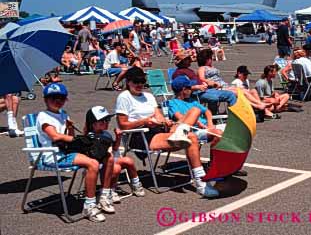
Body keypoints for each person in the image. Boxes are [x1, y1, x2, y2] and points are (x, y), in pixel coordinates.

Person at [115, 67, 219, 197]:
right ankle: (201, 183)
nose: (140, 85)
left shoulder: (148, 96)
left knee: (195, 111)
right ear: (128, 82)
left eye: (142, 81)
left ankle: (180, 133)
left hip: (159, 129)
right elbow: (123, 125)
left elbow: (158, 115)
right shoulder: (124, 97)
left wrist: (164, 121)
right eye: (136, 82)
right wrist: (145, 121)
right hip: (141, 135)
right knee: (191, 137)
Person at [36, 83, 114, 222]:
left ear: (66, 99)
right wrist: (77, 138)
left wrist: (70, 127)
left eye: (61, 97)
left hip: (67, 152)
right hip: (53, 155)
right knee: (93, 164)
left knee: (108, 157)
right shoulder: (43, 116)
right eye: (53, 97)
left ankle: (104, 195)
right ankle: (89, 205)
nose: (57, 100)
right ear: (45, 99)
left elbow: (68, 136)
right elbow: (55, 136)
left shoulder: (63, 114)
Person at [83, 106, 145, 204]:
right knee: (116, 168)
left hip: (110, 159)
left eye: (107, 119)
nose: (106, 122)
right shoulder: (90, 136)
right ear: (93, 124)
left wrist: (118, 137)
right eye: (103, 121)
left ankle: (136, 185)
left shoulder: (106, 134)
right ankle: (110, 190)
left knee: (128, 160)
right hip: (99, 162)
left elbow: (115, 148)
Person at [197, 49, 268, 111]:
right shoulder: (202, 68)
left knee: (244, 91)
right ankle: (256, 105)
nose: (212, 59)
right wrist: (209, 82)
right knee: (238, 93)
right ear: (206, 59)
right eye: (210, 58)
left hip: (223, 84)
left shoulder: (211, 67)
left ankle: (259, 104)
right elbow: (201, 78)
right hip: (216, 87)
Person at [168, 76, 222, 147]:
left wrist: (210, 123)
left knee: (233, 131)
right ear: (184, 90)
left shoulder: (192, 101)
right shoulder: (172, 103)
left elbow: (207, 111)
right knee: (218, 133)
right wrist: (197, 122)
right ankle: (214, 157)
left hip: (206, 127)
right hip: (194, 131)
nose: (191, 90)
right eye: (190, 88)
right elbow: (180, 117)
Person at [172, 51, 236, 106]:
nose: (190, 60)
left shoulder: (189, 70)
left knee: (230, 94)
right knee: (214, 97)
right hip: (195, 93)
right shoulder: (178, 73)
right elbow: (181, 88)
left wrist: (207, 83)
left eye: (189, 58)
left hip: (205, 90)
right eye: (188, 59)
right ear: (183, 61)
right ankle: (212, 115)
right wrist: (197, 87)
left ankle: (234, 116)